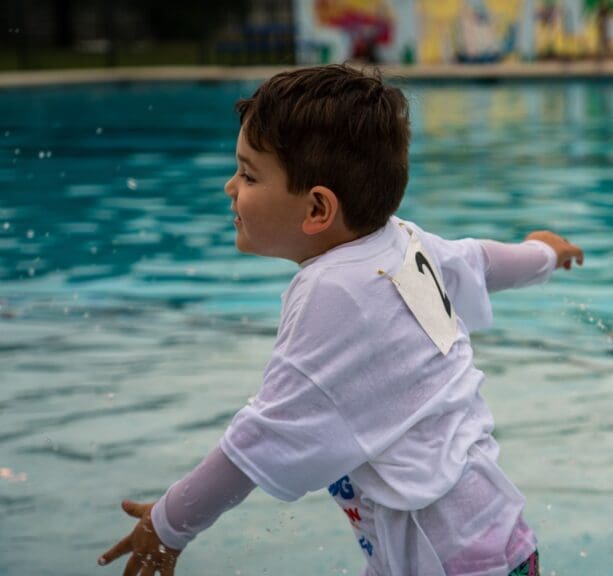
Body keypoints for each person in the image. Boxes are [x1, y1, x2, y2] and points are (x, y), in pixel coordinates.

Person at [97, 63, 583, 576]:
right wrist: (542, 255)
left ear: (317, 209)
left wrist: (170, 525)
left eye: (248, 174)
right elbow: (478, 262)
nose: (229, 187)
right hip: (497, 535)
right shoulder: (400, 242)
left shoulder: (332, 291)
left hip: (441, 561)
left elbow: (261, 436)